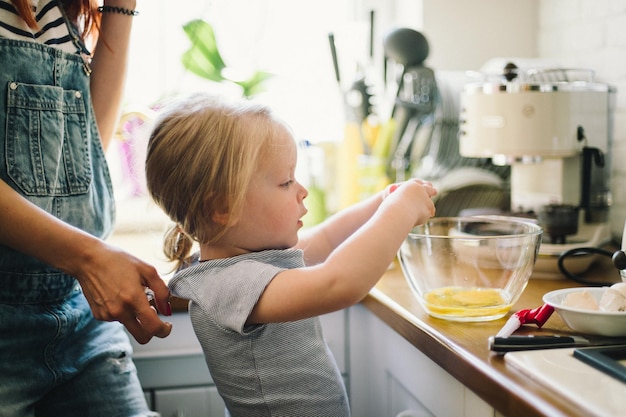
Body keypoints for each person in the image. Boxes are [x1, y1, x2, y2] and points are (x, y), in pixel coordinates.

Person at [145, 93, 437, 417]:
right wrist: (401, 210)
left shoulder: (250, 260)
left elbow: (327, 235)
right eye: (286, 182)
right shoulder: (228, 285)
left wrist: (383, 201)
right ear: (222, 208)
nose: (302, 189)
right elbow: (339, 283)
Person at [0, 1, 172, 416]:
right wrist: (90, 257)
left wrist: (120, 9)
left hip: (77, 315)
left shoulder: (59, 9)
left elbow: (88, 143)